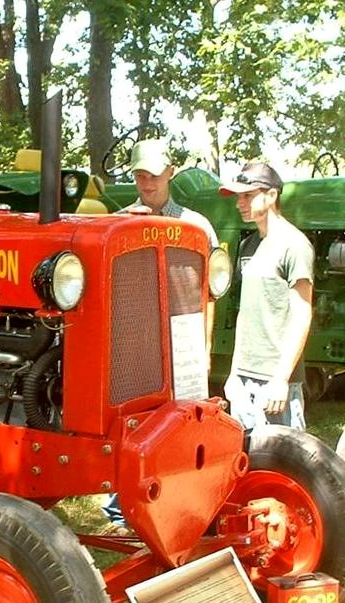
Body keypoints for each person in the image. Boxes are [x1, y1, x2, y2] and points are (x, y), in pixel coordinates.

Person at [102, 139, 221, 526]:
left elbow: (209, 291)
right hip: (136, 341)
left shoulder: (196, 226)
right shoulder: (117, 223)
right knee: (129, 419)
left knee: (182, 420)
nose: (146, 182)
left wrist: (204, 343)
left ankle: (181, 501)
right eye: (139, 175)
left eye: (153, 175)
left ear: (170, 173)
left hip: (181, 337)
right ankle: (123, 504)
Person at [220, 162, 314, 431]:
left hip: (276, 380)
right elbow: (245, 313)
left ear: (272, 195)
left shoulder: (294, 246)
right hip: (244, 377)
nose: (240, 203)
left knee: (284, 465)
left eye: (247, 195)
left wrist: (281, 380)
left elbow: (302, 314)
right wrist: (234, 373)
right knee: (248, 462)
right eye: (239, 197)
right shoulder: (248, 246)